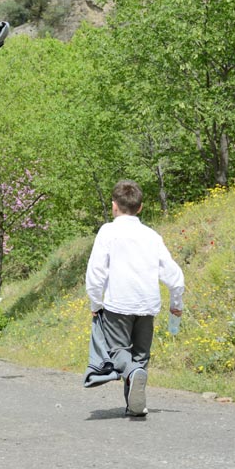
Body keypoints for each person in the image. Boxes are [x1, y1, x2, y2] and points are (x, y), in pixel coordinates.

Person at [85, 179, 185, 417]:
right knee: (140, 355)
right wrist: (176, 304)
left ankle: (131, 376)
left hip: (117, 304)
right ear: (140, 207)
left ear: (114, 206)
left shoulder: (108, 231)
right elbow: (174, 275)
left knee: (118, 351)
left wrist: (95, 303)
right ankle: (135, 404)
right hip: (147, 304)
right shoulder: (152, 235)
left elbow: (96, 272)